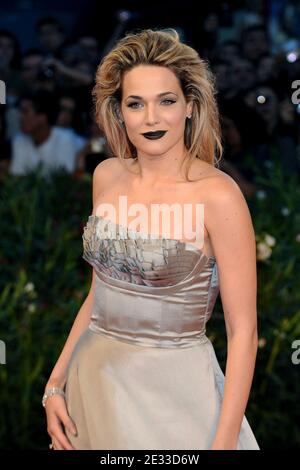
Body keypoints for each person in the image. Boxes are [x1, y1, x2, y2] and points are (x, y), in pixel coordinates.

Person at [43, 28, 260, 450]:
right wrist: (56, 384)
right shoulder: (106, 175)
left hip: (174, 396)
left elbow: (244, 331)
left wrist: (224, 442)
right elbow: (99, 293)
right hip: (93, 383)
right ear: (119, 112)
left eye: (167, 101)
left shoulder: (218, 195)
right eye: (135, 104)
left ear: (190, 106)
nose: (152, 119)